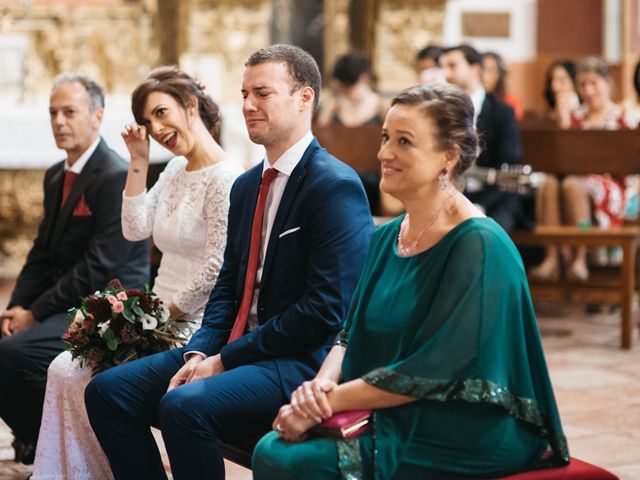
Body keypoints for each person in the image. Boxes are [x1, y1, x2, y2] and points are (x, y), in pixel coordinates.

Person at [252, 83, 569, 480]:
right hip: (397, 404)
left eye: (404, 142)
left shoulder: (480, 245)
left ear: (448, 158)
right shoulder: (386, 237)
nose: (385, 152)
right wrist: (318, 388)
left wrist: (328, 402)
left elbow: (436, 369)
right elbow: (349, 335)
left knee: (290, 460)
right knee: (271, 448)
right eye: (385, 137)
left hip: (467, 422)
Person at [85, 44, 374, 480]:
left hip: (296, 359)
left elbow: (325, 310)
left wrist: (225, 359)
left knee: (182, 407)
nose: (248, 105)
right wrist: (202, 349)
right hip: (235, 346)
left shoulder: (333, 186)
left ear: (304, 98)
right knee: (109, 391)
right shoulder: (246, 186)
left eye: (262, 93)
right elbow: (227, 286)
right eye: (243, 94)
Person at [31, 67, 243, 479]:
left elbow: (216, 269)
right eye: (148, 121)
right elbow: (135, 227)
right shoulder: (178, 170)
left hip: (191, 324)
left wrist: (162, 317)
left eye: (163, 113)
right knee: (63, 370)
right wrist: (139, 161)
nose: (157, 128)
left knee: (81, 379)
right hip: (155, 315)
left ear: (191, 105)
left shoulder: (227, 177)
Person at [0, 73, 150, 465]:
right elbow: (41, 253)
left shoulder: (115, 174)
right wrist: (15, 308)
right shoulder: (55, 175)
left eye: (69, 112)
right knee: (7, 341)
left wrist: (34, 313)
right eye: (53, 113)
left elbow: (98, 267)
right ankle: (39, 438)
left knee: (13, 357)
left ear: (97, 116)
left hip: (107, 305)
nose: (59, 122)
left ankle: (60, 448)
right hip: (67, 300)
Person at [531, 56, 638, 282]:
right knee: (548, 182)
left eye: (594, 84)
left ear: (607, 84)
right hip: (575, 180)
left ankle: (580, 257)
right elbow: (561, 157)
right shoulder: (576, 117)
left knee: (573, 185)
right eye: (583, 85)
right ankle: (552, 256)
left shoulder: (623, 118)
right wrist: (563, 122)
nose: (588, 91)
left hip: (613, 186)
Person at [441, 44, 530, 233]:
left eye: (453, 66)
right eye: (444, 67)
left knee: (489, 232)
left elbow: (509, 161)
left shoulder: (501, 111)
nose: (446, 73)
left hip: (496, 195)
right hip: (450, 194)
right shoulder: (441, 112)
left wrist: (480, 205)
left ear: (475, 69)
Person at [315, 52, 389, 127]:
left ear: (365, 78)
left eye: (351, 87)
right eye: (344, 87)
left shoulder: (381, 106)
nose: (347, 92)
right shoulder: (333, 105)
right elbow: (321, 133)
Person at [482, 51, 523, 120]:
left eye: (490, 70)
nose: (484, 76)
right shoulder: (470, 100)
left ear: (499, 75)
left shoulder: (510, 102)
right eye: (482, 70)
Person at [542, 59, 580, 128]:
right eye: (551, 80)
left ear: (575, 82)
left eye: (561, 80)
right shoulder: (547, 115)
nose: (554, 86)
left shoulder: (582, 115)